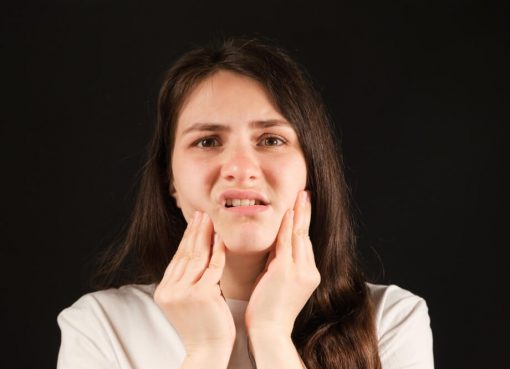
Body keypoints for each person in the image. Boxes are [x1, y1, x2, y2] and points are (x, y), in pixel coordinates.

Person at [56, 38, 434, 369]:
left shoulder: (390, 320)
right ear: (169, 180)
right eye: (207, 141)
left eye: (271, 140)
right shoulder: (100, 327)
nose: (240, 168)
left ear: (311, 170)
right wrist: (206, 351)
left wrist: (271, 337)